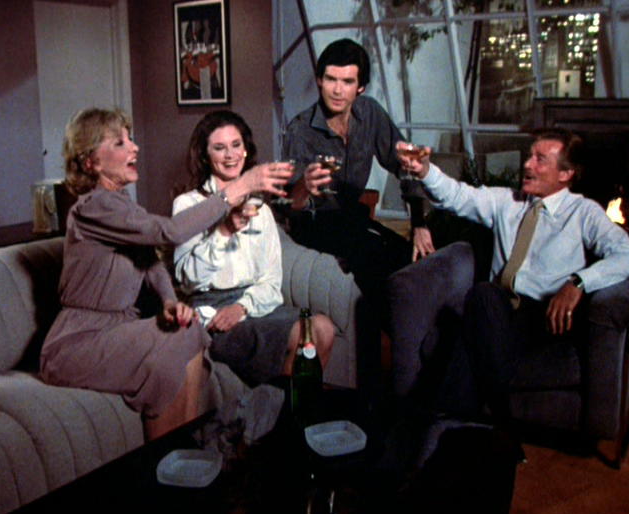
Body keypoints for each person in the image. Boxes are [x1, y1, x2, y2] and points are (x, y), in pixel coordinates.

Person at [39, 108, 292, 441]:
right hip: (77, 342)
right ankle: (167, 459)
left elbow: (151, 262)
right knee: (180, 340)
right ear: (91, 163)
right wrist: (242, 186)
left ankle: (188, 453)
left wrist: (170, 302)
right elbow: (170, 232)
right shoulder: (94, 207)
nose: (134, 147)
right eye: (120, 142)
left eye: (131, 138)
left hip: (118, 327)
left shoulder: (122, 204)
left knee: (189, 329)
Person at [395, 127, 629, 425]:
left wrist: (578, 282)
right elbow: (457, 196)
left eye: (540, 159)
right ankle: (480, 423)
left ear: (565, 174)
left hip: (544, 318)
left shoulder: (583, 213)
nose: (527, 164)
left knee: (477, 306)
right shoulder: (507, 202)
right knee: (483, 300)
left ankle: (447, 421)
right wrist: (424, 171)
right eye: (529, 156)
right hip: (498, 312)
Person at [172, 110, 334, 387]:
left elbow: (271, 280)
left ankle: (286, 406)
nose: (230, 155)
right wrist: (224, 231)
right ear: (205, 155)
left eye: (236, 145)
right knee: (302, 336)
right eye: (219, 148)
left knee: (322, 328)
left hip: (253, 305)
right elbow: (188, 280)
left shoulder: (261, 209)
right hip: (210, 312)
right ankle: (279, 407)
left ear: (246, 150)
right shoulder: (188, 204)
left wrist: (242, 307)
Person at [281, 38, 435, 307]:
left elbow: (406, 164)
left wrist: (419, 223)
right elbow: (289, 205)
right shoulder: (300, 130)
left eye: (347, 82)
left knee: (412, 257)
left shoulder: (369, 113)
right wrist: (304, 185)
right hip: (314, 228)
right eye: (331, 79)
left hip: (353, 220)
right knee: (378, 263)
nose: (337, 90)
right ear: (319, 81)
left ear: (360, 87)